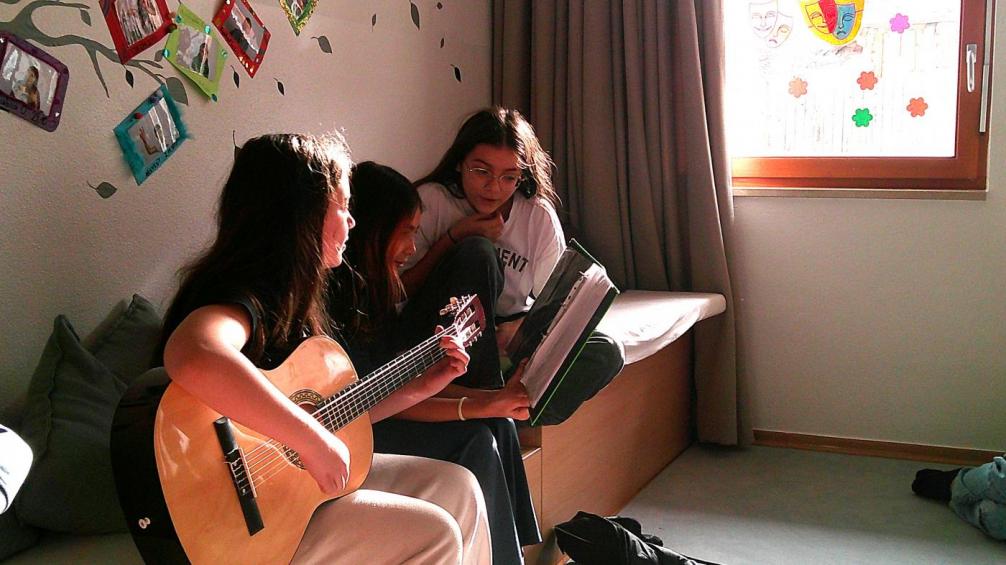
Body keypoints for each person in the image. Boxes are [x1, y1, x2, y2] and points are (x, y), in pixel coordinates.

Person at [158, 133, 491, 564]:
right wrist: (310, 439)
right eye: (343, 205)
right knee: (435, 534)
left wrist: (422, 386)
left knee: (459, 487)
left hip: (287, 491)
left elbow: (336, 415)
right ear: (303, 213)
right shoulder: (243, 293)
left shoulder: (297, 300)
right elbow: (193, 354)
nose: (352, 222)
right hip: (239, 520)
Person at [328, 161, 541, 565]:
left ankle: (516, 554)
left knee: (498, 422)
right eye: (407, 232)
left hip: (378, 410)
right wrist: (479, 402)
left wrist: (491, 400)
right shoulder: (339, 300)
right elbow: (374, 403)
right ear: (374, 230)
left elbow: (394, 385)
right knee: (476, 439)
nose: (411, 248)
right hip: (357, 428)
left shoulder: (371, 292)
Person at [399, 106, 625, 424]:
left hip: (508, 331)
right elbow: (398, 292)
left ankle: (515, 413)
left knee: (606, 350)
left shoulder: (536, 215)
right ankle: (491, 401)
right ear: (460, 163)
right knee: (477, 251)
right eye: (481, 171)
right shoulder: (433, 201)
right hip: (443, 330)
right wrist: (454, 238)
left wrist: (523, 329)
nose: (494, 187)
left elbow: (557, 304)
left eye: (509, 177)